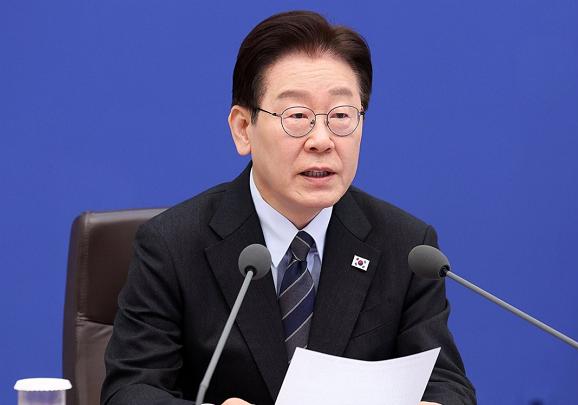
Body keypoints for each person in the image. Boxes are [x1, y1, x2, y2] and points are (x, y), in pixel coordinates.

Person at [101, 10, 476, 405]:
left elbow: (447, 385)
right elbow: (130, 390)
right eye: (297, 116)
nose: (322, 140)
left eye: (341, 116)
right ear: (243, 129)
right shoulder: (172, 244)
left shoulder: (408, 248)